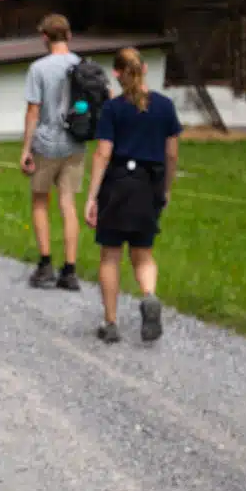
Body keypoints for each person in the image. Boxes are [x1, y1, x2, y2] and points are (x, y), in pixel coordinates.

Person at [83, 48, 181, 344]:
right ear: (145, 69)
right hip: (149, 184)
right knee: (143, 255)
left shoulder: (113, 109)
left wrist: (92, 196)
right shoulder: (165, 107)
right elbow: (172, 153)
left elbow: (102, 153)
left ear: (116, 73)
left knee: (110, 256)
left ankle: (111, 323)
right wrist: (165, 188)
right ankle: (149, 295)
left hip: (118, 183)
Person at [19, 13, 85, 290]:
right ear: (69, 36)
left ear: (45, 37)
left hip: (46, 143)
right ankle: (69, 270)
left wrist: (26, 148)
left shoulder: (38, 68)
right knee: (68, 205)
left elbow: (33, 110)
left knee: (40, 202)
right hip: (75, 142)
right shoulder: (82, 65)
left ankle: (45, 264)